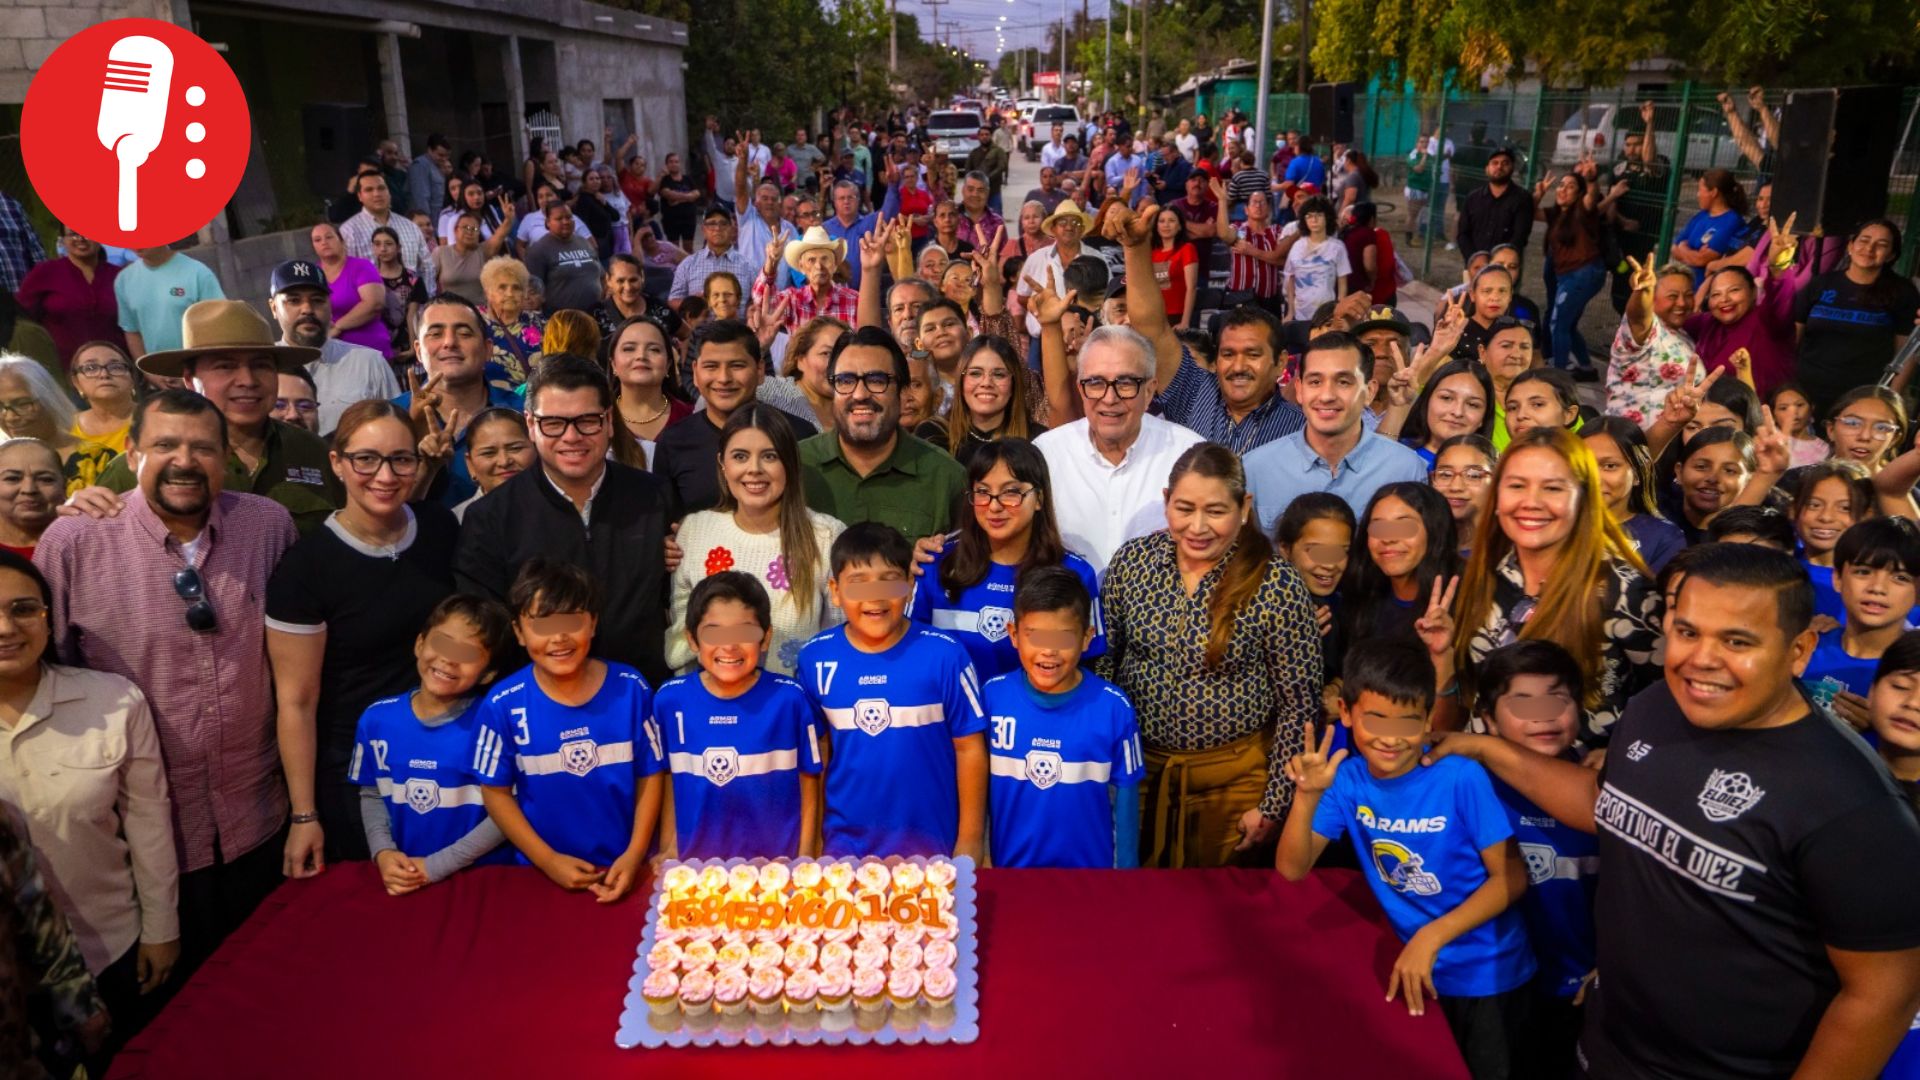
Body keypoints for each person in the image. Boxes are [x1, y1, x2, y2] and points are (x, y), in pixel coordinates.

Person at [1431, 543, 1920, 1078]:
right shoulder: (1655, 707)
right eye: (1687, 632)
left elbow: (1881, 995)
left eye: (1737, 640)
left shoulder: (1853, 807)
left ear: (1800, 650)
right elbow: (1606, 806)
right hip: (1606, 1047)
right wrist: (1485, 746)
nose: (1700, 658)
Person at [36, 390, 298, 979]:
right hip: (141, 844)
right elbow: (45, 673)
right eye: (165, 445)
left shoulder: (267, 527)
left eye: (203, 447)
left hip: (259, 822)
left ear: (226, 455)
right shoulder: (75, 542)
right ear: (131, 454)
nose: (185, 460)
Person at [1279, 640, 1533, 1075]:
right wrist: (1306, 796)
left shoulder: (1460, 778)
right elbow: (1291, 869)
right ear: (1345, 712)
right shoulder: (1346, 781)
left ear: (1429, 716)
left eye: (1409, 721)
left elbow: (1511, 879)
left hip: (1488, 976)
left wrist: (1430, 938)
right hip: (1418, 974)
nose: (1393, 738)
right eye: (1376, 720)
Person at [1098, 443, 1322, 868]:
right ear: (1166, 503)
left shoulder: (1276, 582)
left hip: (1236, 784)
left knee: (1216, 912)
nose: (1197, 526)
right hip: (1137, 776)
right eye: (1184, 508)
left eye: (1216, 511)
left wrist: (1274, 805)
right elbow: (1105, 665)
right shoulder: (1132, 563)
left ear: (1244, 507)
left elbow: (1299, 705)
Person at [264, 401, 459, 870]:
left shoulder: (439, 528)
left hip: (446, 754)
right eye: (366, 459)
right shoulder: (306, 568)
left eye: (400, 460)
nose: (385, 476)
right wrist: (304, 814)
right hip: (356, 770)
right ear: (337, 462)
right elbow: (297, 702)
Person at [0, 547, 178, 1058]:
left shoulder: (113, 700)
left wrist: (162, 929)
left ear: (48, 616)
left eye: (22, 608)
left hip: (111, 949)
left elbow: (148, 821)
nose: (7, 627)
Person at [455, 354, 676, 685]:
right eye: (554, 423)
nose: (572, 437)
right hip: (540, 709)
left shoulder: (654, 496)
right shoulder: (490, 517)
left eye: (587, 420)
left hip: (643, 699)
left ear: (609, 421)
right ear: (531, 424)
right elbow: (486, 629)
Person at [1452, 427, 1661, 745]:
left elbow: (1670, 698)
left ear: (1584, 498)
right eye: (1517, 486)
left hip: (1573, 785)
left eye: (1552, 488)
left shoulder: (1624, 590)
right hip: (1485, 779)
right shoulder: (1485, 574)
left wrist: (1623, 756)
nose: (1531, 502)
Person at [472, 560, 663, 900]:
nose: (559, 637)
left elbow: (651, 775)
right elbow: (495, 792)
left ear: (593, 624)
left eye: (571, 621)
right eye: (542, 624)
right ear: (518, 632)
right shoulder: (501, 704)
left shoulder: (631, 688)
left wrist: (634, 854)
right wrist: (547, 860)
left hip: (624, 868)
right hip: (538, 874)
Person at [798, 523, 989, 859]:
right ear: (835, 591)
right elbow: (817, 755)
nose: (875, 596)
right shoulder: (816, 657)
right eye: (858, 584)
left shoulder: (945, 654)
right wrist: (812, 842)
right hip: (844, 848)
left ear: (910, 585)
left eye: (889, 581)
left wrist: (971, 841)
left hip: (934, 848)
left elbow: (969, 748)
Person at [93, 302, 342, 532]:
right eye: (225, 366)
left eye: (261, 365)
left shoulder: (313, 452)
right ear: (190, 380)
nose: (248, 381)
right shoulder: (137, 466)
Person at [1470, 640, 1599, 1077]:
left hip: (1584, 992)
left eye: (1557, 700)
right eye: (1522, 703)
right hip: (1500, 990)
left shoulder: (1608, 788)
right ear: (1487, 720)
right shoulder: (1471, 792)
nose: (1543, 716)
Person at [349, 595, 515, 896]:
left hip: (482, 883)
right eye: (443, 643)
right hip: (406, 880)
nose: (449, 659)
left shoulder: (495, 724)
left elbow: (508, 815)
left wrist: (435, 866)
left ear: (488, 673)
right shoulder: (376, 720)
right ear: (419, 644)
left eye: (467, 653)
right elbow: (371, 793)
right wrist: (383, 853)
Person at [652, 572, 825, 859]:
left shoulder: (790, 700)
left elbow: (809, 779)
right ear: (692, 640)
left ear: (765, 638)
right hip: (697, 869)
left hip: (777, 867)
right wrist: (669, 847)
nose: (729, 645)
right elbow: (670, 777)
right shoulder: (670, 700)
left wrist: (807, 854)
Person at [982, 567, 1143, 869]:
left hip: (1089, 880)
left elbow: (1125, 808)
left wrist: (1125, 881)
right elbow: (977, 794)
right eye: (1036, 636)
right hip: (1010, 875)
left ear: (1086, 638)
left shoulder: (1114, 708)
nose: (1049, 651)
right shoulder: (992, 698)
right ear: (1013, 635)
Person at [667, 405, 844, 677]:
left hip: (796, 709)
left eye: (770, 456)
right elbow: (682, 646)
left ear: (790, 463)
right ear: (722, 465)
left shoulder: (826, 536)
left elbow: (841, 643)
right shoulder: (694, 531)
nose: (754, 469)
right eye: (740, 456)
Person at [910, 437, 1101, 680]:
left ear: (1039, 499)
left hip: (1039, 716)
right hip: (951, 715)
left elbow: (1088, 670)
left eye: (1011, 492)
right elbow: (911, 656)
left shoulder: (1076, 574)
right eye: (983, 492)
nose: (994, 506)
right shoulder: (936, 564)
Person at [1245, 333, 1429, 532]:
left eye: (1343, 382)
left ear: (1369, 391)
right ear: (1299, 390)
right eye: (1315, 382)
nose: (1327, 396)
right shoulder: (1255, 469)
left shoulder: (1407, 469)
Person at [799, 327, 967, 541]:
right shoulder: (795, 466)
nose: (860, 394)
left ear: (902, 392)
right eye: (846, 381)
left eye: (877, 380)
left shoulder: (945, 477)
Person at [655, 321, 817, 516]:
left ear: (759, 371)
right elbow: (667, 523)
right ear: (696, 372)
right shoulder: (673, 441)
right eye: (711, 366)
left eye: (737, 365)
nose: (724, 378)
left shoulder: (799, 434)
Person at [1800, 519, 1920, 726]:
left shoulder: (1914, 669)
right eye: (1863, 572)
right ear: (1837, 578)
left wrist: (1883, 729)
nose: (1878, 588)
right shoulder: (1804, 646)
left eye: (1900, 578)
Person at [264, 260, 401, 437]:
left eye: (317, 300)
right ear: (274, 308)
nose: (307, 309)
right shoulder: (262, 368)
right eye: (294, 301)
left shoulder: (369, 363)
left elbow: (396, 432)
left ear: (330, 306)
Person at [1797, 220, 1920, 415]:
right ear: (1850, 246)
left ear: (1891, 256)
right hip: (1807, 392)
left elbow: (1905, 354)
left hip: (1863, 398)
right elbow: (1794, 337)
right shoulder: (1821, 284)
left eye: (1881, 245)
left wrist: (1890, 399)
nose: (1869, 249)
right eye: (1864, 240)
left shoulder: (1902, 293)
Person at [1341, 483, 1460, 650]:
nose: (1388, 538)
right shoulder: (1360, 597)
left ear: (1434, 531)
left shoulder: (1467, 601)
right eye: (1378, 527)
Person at [1534, 172, 1618, 379]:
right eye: (1561, 185)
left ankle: (1558, 376)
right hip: (1568, 276)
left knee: (1558, 323)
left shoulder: (1582, 211)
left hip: (1583, 274)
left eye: (1570, 186)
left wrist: (1591, 178)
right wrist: (1539, 193)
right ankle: (1587, 369)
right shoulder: (1555, 214)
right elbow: (1531, 212)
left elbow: (1592, 196)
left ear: (1579, 193)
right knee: (1567, 324)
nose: (1562, 189)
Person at [1583, 417, 1685, 576]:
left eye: (1610, 466)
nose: (1595, 477)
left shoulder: (1663, 538)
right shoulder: (1555, 526)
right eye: (1585, 465)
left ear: (1638, 474)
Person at [917, 335, 1044, 459]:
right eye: (975, 373)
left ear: (1014, 383)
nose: (986, 383)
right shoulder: (933, 434)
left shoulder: (1038, 440)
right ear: (961, 381)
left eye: (998, 374)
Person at [1606, 257, 1698, 427]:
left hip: (1666, 444)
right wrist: (1643, 292)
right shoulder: (1647, 331)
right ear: (1653, 299)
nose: (1682, 303)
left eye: (1688, 295)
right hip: (1632, 442)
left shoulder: (1683, 335)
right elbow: (1638, 317)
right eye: (1672, 296)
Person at [16, 226, 123, 367]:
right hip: (61, 368)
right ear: (63, 240)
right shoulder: (45, 272)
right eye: (73, 234)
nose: (81, 239)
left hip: (115, 367)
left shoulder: (120, 276)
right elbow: (21, 319)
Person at [605, 316, 689, 468]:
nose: (641, 356)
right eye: (629, 349)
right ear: (613, 364)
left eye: (654, 349)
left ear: (668, 364)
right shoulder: (598, 421)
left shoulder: (691, 418)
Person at [113, 247, 224, 360]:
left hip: (197, 366)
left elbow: (219, 324)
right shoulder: (124, 280)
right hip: (156, 369)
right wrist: (148, 371)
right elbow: (132, 330)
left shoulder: (198, 272)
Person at [750, 227, 859, 333]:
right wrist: (771, 262)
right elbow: (760, 299)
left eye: (825, 259)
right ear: (801, 267)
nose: (819, 266)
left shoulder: (854, 300)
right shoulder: (793, 300)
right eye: (811, 260)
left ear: (835, 265)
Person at [339, 172, 435, 293]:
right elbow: (347, 274)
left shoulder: (410, 227)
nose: (377, 194)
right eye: (369, 190)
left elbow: (427, 267)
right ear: (360, 196)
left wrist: (425, 301)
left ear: (389, 192)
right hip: (371, 306)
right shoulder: (349, 231)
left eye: (381, 188)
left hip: (413, 305)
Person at [306, 222, 391, 356]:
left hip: (370, 347)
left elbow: (375, 304)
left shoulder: (362, 267)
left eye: (329, 237)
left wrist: (338, 326)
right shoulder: (312, 275)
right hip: (331, 352)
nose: (324, 242)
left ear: (342, 241)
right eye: (317, 240)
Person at [1670, 168, 1750, 288]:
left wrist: (1684, 247)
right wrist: (1688, 251)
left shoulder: (1732, 221)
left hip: (1707, 288)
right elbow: (1674, 249)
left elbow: (1702, 260)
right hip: (1687, 286)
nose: (1698, 195)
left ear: (1713, 192)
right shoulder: (1702, 215)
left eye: (1700, 190)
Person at [668, 208, 760, 311]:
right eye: (711, 223)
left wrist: (751, 312)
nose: (717, 228)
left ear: (733, 229)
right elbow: (673, 301)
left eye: (723, 223)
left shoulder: (749, 266)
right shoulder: (688, 264)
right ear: (704, 230)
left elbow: (758, 300)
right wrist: (693, 303)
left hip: (737, 325)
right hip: (700, 326)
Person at [1455, 149, 1533, 266]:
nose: (1499, 167)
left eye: (1505, 163)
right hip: (1475, 266)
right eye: (1494, 163)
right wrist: (1474, 258)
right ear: (1487, 168)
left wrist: (1500, 261)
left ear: (1512, 168)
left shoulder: (1522, 198)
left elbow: (1520, 236)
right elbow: (1463, 234)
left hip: (1505, 268)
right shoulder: (1473, 198)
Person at [453, 407, 534, 520]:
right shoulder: (456, 522)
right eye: (489, 453)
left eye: (515, 448)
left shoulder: (563, 509)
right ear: (470, 464)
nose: (504, 461)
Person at [67, 344, 137, 471]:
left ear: (132, 378)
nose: (104, 374)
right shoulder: (65, 427)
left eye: (115, 367)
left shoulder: (153, 419)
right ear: (76, 383)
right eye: (91, 368)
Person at [477, 256, 545, 388]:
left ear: (524, 293)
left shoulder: (540, 323)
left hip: (531, 403)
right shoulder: (475, 323)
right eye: (502, 287)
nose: (509, 293)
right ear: (488, 293)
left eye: (516, 288)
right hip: (490, 404)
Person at [523, 205, 601, 316]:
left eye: (569, 217)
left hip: (595, 315)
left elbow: (601, 274)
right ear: (548, 222)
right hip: (561, 320)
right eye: (559, 219)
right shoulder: (538, 250)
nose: (566, 222)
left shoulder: (584, 242)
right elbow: (534, 289)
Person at [1283, 197, 1350, 320]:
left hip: (1327, 314)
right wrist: (1290, 312)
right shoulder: (1297, 247)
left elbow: (1342, 285)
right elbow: (1289, 279)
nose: (1314, 220)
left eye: (1319, 215)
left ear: (1327, 217)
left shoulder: (1337, 247)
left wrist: (1340, 313)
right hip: (1300, 315)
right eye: (1309, 216)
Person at [0, 440, 63, 558]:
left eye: (45, 479)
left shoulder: (84, 540)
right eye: (12, 478)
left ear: (64, 485)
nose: (29, 489)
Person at [369, 226, 426, 354]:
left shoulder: (413, 279)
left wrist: (413, 348)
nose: (383, 249)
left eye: (388, 244)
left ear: (398, 248)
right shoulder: (368, 280)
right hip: (378, 344)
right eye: (377, 244)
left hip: (407, 341)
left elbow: (412, 315)